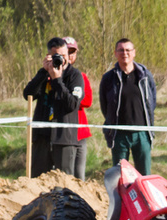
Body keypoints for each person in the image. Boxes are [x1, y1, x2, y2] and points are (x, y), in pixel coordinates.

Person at [23, 37, 84, 177]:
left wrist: (57, 80)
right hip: (42, 136)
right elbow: (28, 94)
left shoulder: (74, 75)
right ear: (48, 56)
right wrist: (43, 73)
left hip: (64, 138)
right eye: (56, 56)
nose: (61, 60)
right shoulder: (44, 73)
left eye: (63, 56)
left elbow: (72, 104)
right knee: (38, 180)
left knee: (63, 183)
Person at [98, 38, 156, 175]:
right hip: (119, 134)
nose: (125, 53)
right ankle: (122, 197)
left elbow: (152, 102)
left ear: (134, 53)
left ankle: (144, 197)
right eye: (121, 50)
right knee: (120, 176)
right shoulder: (108, 78)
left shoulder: (145, 76)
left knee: (144, 175)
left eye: (128, 50)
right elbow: (104, 106)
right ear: (115, 53)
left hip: (142, 132)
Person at [63, 36, 92, 180]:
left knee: (79, 175)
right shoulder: (52, 76)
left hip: (80, 131)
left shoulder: (81, 76)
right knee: (65, 174)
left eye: (72, 52)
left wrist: (70, 99)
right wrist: (72, 96)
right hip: (62, 133)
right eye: (67, 51)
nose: (70, 55)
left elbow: (87, 100)